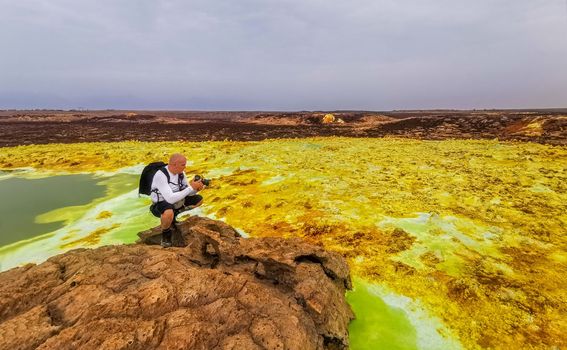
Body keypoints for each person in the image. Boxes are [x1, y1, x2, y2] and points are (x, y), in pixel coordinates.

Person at [149, 153, 205, 247]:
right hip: (161, 203)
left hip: (176, 200)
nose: (185, 167)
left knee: (199, 200)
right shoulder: (161, 175)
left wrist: (196, 188)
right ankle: (166, 235)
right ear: (174, 164)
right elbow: (170, 199)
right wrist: (191, 188)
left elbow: (187, 191)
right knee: (168, 211)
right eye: (183, 164)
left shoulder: (181, 174)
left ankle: (174, 216)